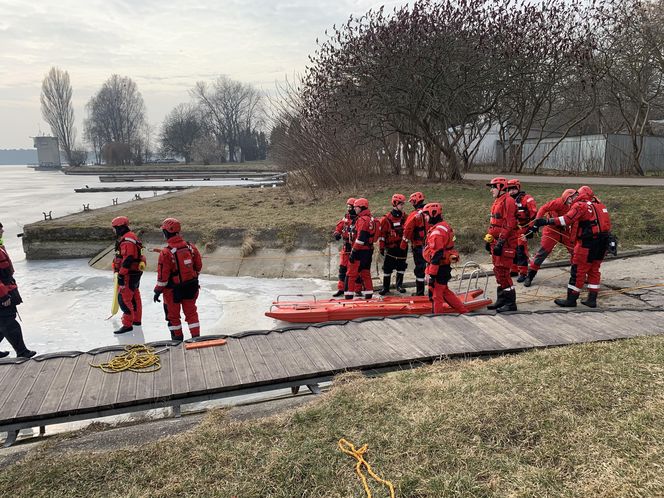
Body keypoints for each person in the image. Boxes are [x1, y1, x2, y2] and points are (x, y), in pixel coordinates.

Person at [534, 185, 611, 308]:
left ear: (580, 195)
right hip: (602, 243)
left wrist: (547, 221)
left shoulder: (580, 205)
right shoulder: (600, 206)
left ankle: (571, 299)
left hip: (587, 244)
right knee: (594, 270)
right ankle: (592, 299)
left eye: (576, 195)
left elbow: (566, 219)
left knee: (578, 271)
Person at [154, 218, 203, 340]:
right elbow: (198, 266)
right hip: (191, 286)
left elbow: (162, 277)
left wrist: (157, 291)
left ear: (166, 232)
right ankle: (196, 338)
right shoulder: (190, 247)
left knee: (173, 317)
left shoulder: (166, 253)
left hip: (173, 291)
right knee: (191, 314)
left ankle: (177, 341)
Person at [521, 188, 576, 287]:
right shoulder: (557, 202)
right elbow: (543, 208)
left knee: (575, 251)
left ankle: (577, 275)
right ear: (566, 196)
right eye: (571, 197)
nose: (572, 199)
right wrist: (537, 222)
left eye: (574, 197)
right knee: (542, 252)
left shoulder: (575, 205)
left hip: (565, 231)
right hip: (551, 231)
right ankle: (530, 276)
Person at [422, 203, 469, 314]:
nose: (425, 218)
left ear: (433, 214)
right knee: (444, 291)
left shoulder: (437, 232)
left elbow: (436, 255)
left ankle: (438, 318)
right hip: (443, 266)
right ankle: (464, 311)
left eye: (427, 215)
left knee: (436, 295)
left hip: (439, 268)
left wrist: (432, 275)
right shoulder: (444, 226)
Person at [0, 221, 36, 358]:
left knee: (3, 322)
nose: (3, 231)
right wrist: (3, 295)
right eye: (0, 229)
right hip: (2, 293)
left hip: (7, 287)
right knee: (9, 322)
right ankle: (22, 351)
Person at [485, 177, 519, 312]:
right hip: (497, 241)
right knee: (498, 271)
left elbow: (509, 224)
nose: (491, 190)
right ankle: (502, 299)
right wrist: (489, 240)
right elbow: (494, 223)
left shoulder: (508, 201)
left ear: (500, 187)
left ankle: (511, 304)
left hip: (506, 243)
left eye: (493, 187)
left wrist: (500, 242)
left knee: (503, 272)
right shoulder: (498, 201)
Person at [111, 216, 146, 334]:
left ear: (120, 228)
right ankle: (136, 320)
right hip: (135, 273)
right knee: (135, 296)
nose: (114, 231)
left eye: (115, 228)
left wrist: (121, 274)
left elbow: (128, 258)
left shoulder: (127, 241)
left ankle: (127, 324)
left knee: (123, 299)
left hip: (128, 274)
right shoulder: (132, 237)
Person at [345, 198, 376, 300]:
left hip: (360, 250)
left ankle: (348, 295)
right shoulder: (371, 219)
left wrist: (353, 251)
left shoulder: (362, 220)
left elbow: (360, 238)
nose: (355, 209)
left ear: (361, 207)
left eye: (356, 207)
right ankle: (369, 293)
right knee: (365, 272)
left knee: (351, 273)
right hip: (369, 249)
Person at [507, 179, 537, 282]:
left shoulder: (527, 199)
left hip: (524, 228)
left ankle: (523, 272)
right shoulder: (508, 200)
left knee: (521, 251)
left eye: (513, 189)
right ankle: (514, 269)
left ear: (518, 188)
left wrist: (531, 229)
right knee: (512, 250)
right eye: (509, 189)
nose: (511, 192)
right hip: (512, 230)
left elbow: (534, 215)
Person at [378, 193, 408, 295]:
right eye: (401, 204)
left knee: (401, 266)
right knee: (387, 268)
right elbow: (382, 235)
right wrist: (381, 248)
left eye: (403, 204)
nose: (403, 206)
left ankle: (399, 285)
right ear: (395, 204)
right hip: (391, 248)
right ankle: (385, 287)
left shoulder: (405, 217)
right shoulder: (386, 219)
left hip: (402, 246)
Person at [401, 192, 427, 296]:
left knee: (420, 269)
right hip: (431, 246)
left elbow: (407, 230)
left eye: (412, 202)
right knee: (432, 268)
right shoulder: (429, 212)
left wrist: (403, 243)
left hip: (418, 245)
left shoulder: (414, 215)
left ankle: (420, 293)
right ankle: (433, 291)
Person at [332, 198, 356, 297]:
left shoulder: (359, 219)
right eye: (348, 207)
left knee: (356, 270)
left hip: (355, 246)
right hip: (346, 246)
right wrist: (337, 233)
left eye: (350, 207)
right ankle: (341, 289)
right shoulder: (346, 217)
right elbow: (339, 226)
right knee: (342, 269)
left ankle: (357, 289)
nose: (348, 209)